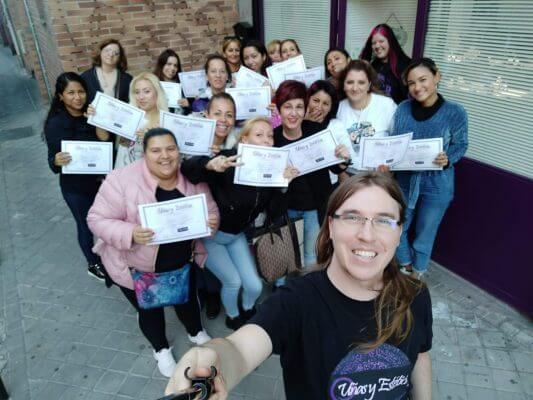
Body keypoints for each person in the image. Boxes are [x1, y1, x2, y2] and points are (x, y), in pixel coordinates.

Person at [165, 172, 433, 400]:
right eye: (352, 217)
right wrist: (212, 361)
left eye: (384, 220)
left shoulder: (416, 294)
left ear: (399, 232)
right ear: (331, 226)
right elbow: (241, 350)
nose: (367, 234)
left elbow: (420, 355)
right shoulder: (296, 301)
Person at [87, 128, 220, 377]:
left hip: (182, 262)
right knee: (149, 311)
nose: (165, 156)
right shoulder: (121, 180)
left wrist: (211, 222)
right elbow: (96, 219)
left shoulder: (191, 178)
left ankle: (195, 331)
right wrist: (130, 232)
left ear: (178, 151)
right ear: (144, 153)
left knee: (188, 300)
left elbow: (210, 209)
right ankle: (160, 349)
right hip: (136, 268)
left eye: (170, 149)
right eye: (156, 150)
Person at [181, 117, 299, 330]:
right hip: (212, 238)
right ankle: (233, 317)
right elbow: (188, 170)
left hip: (237, 236)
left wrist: (283, 185)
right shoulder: (228, 159)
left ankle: (248, 310)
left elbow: (273, 211)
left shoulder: (270, 170)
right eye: (259, 135)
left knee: (254, 285)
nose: (266, 140)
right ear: (244, 138)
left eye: (270, 136)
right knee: (233, 282)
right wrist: (208, 164)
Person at [389, 58, 468, 279]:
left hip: (437, 184)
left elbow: (461, 144)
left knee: (425, 234)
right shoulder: (403, 109)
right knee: (397, 227)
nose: (417, 87)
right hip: (404, 181)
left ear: (437, 77)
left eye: (422, 80)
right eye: (412, 83)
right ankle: (404, 264)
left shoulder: (455, 112)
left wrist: (448, 158)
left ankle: (418, 273)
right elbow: (396, 141)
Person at [273, 80, 350, 268]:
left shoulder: (317, 131)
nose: (294, 113)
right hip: (286, 207)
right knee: (286, 259)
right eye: (288, 107)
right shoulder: (272, 138)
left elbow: (335, 168)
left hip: (314, 207)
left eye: (299, 107)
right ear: (279, 109)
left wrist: (343, 160)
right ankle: (282, 293)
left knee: (311, 256)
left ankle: (308, 291)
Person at [44, 72, 109, 281]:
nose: (77, 97)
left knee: (108, 220)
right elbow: (52, 159)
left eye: (81, 91)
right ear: (61, 96)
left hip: (100, 181)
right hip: (75, 187)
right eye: (71, 93)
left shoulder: (92, 113)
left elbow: (105, 141)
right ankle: (93, 263)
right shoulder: (54, 123)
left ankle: (113, 256)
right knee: (84, 224)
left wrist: (97, 119)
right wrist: (56, 160)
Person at [336, 60, 397, 174]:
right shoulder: (338, 108)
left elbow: (398, 141)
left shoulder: (386, 105)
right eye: (350, 82)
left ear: (369, 84)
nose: (355, 88)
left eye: (361, 82)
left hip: (379, 174)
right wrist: (341, 174)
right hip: (348, 174)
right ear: (343, 84)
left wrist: (390, 167)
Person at [81, 38, 133, 156]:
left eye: (116, 53)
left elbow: (132, 105)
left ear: (120, 57)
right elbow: (81, 103)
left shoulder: (127, 79)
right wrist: (86, 110)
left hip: (119, 131)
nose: (111, 54)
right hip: (93, 130)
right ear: (100, 52)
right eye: (108, 50)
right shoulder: (86, 77)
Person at [114, 72, 168, 168]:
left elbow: (174, 159)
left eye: (146, 91)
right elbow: (122, 160)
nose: (141, 97)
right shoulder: (130, 120)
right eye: (137, 92)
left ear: (157, 92)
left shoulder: (167, 121)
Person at [360, 23, 412, 104]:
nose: (377, 46)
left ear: (390, 42)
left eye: (381, 41)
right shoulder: (373, 66)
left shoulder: (407, 65)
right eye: (374, 43)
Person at [153, 49, 190, 114]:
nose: (172, 68)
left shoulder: (183, 84)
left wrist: (188, 104)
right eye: (169, 64)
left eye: (175, 65)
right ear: (162, 65)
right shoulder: (153, 83)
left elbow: (190, 110)